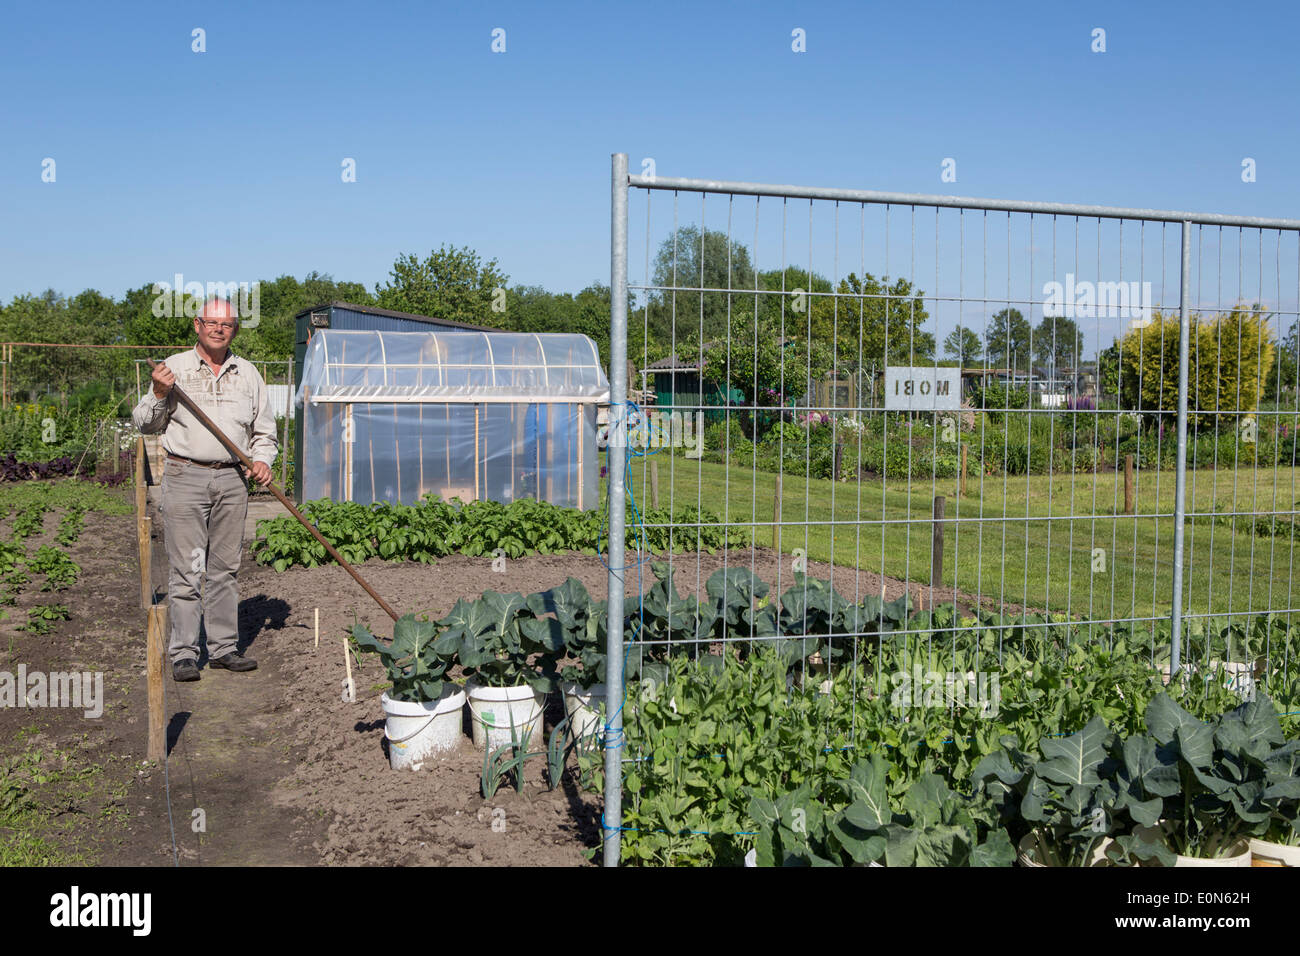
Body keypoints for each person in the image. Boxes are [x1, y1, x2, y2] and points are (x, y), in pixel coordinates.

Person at [132, 297, 278, 682]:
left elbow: (265, 433)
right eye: (211, 322)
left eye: (226, 324)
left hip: (233, 479)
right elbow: (144, 423)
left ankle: (224, 649)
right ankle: (183, 653)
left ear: (235, 330)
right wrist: (159, 393)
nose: (218, 329)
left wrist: (262, 460)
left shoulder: (248, 374)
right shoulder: (172, 370)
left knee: (224, 569)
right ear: (197, 325)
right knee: (188, 569)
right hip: (185, 477)